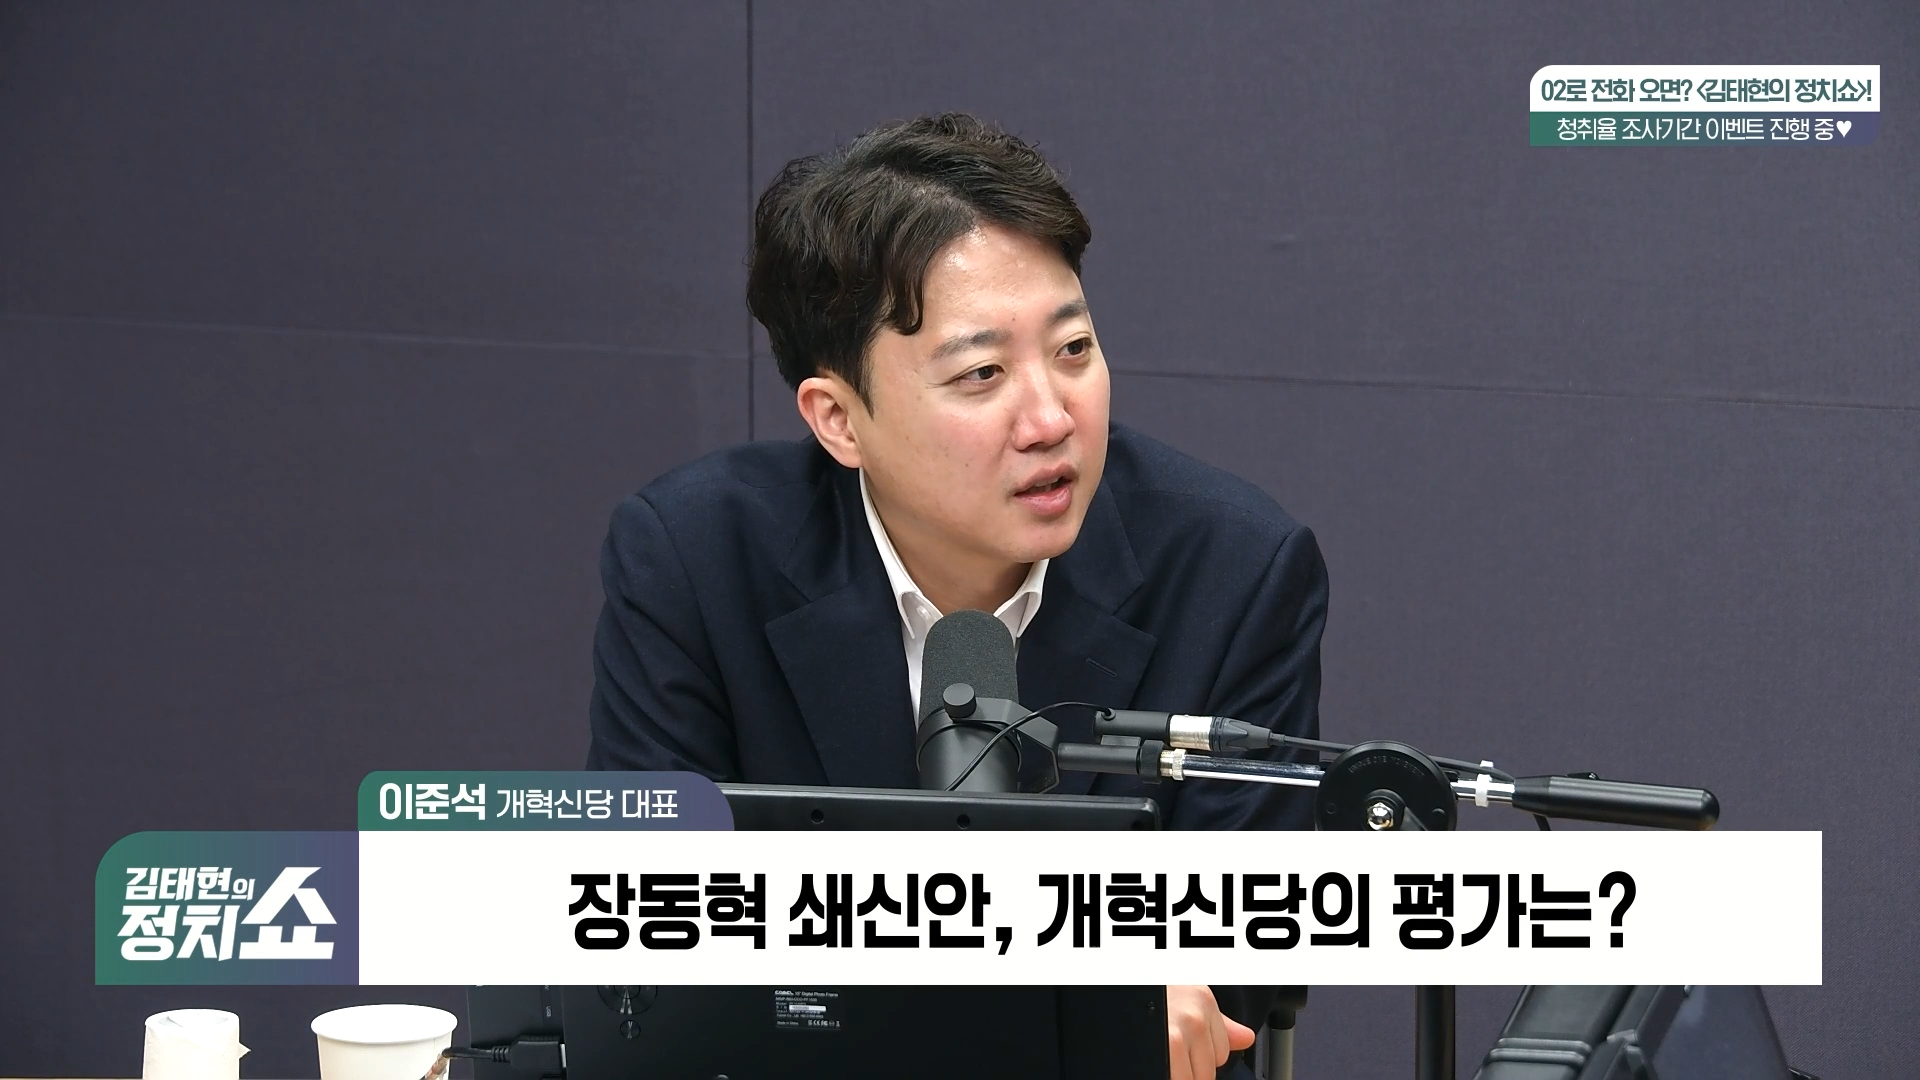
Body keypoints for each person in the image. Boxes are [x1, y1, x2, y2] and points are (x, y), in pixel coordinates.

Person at [588, 113, 1330, 1080]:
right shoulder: (696, 559)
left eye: (1073, 349)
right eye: (982, 373)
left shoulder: (1234, 570)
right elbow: (640, 920)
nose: (1051, 417)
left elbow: (1237, 954)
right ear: (839, 419)